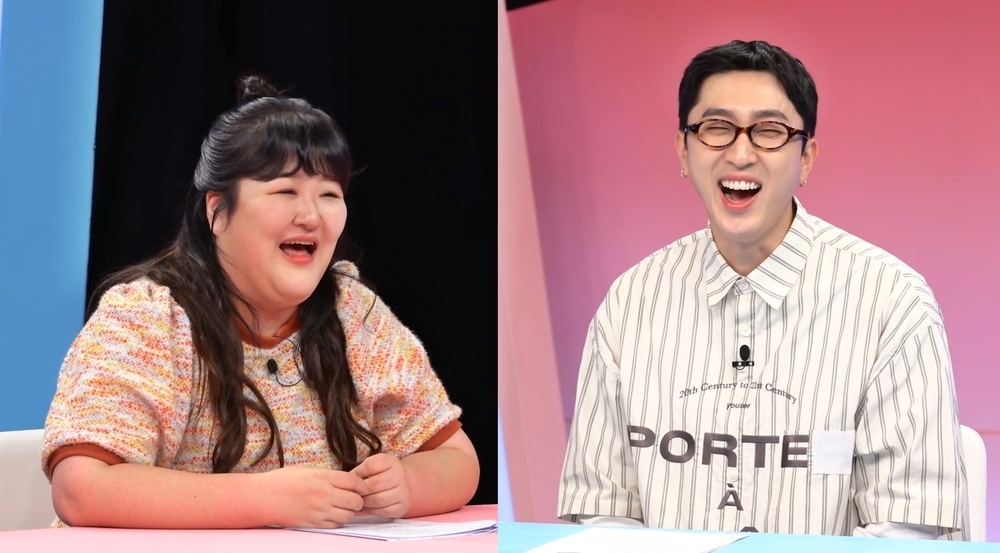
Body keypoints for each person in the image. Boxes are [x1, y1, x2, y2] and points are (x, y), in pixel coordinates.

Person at [557, 40, 967, 539]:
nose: (741, 153)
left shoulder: (892, 302)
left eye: (769, 131)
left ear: (806, 157)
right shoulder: (630, 303)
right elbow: (601, 514)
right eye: (716, 128)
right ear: (683, 150)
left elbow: (905, 529)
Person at [41, 75, 480, 529]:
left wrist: (406, 485)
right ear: (217, 211)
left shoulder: (354, 312)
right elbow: (82, 488)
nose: (310, 216)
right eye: (285, 191)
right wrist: (268, 498)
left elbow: (457, 460)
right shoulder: (148, 317)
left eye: (329, 195)